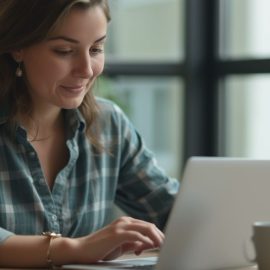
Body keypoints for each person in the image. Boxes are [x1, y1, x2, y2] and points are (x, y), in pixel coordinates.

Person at [0, 0, 179, 268]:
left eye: (96, 49)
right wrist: (76, 248)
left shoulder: (109, 125)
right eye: (64, 51)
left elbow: (173, 210)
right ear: (18, 47)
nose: (86, 69)